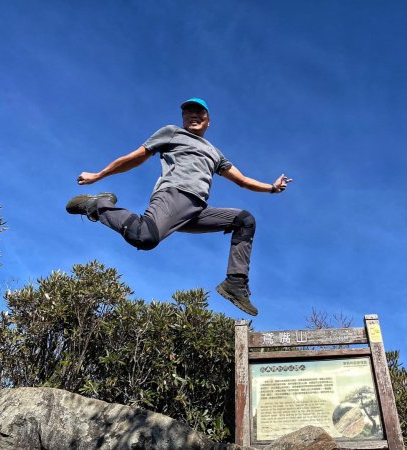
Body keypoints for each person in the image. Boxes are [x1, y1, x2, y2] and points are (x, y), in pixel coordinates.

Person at [66, 98, 292, 316]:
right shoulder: (172, 132)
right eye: (188, 112)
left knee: (245, 220)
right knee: (144, 237)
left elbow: (242, 180)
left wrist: (271, 188)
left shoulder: (215, 153)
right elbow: (135, 157)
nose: (194, 115)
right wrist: (99, 175)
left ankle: (235, 283)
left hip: (197, 210)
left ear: (208, 120)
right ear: (183, 117)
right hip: (174, 196)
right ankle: (99, 204)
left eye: (199, 112)